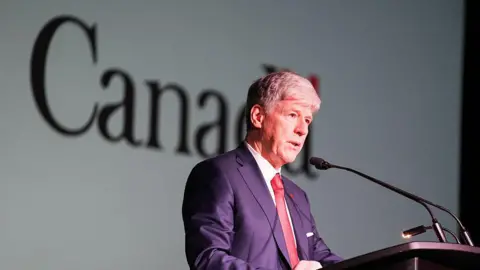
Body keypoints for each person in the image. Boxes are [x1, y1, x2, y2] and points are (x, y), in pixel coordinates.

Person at [182, 71, 342, 269]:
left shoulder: (297, 196)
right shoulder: (219, 174)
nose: (302, 130)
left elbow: (321, 256)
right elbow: (209, 258)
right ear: (258, 117)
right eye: (293, 115)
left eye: (307, 120)